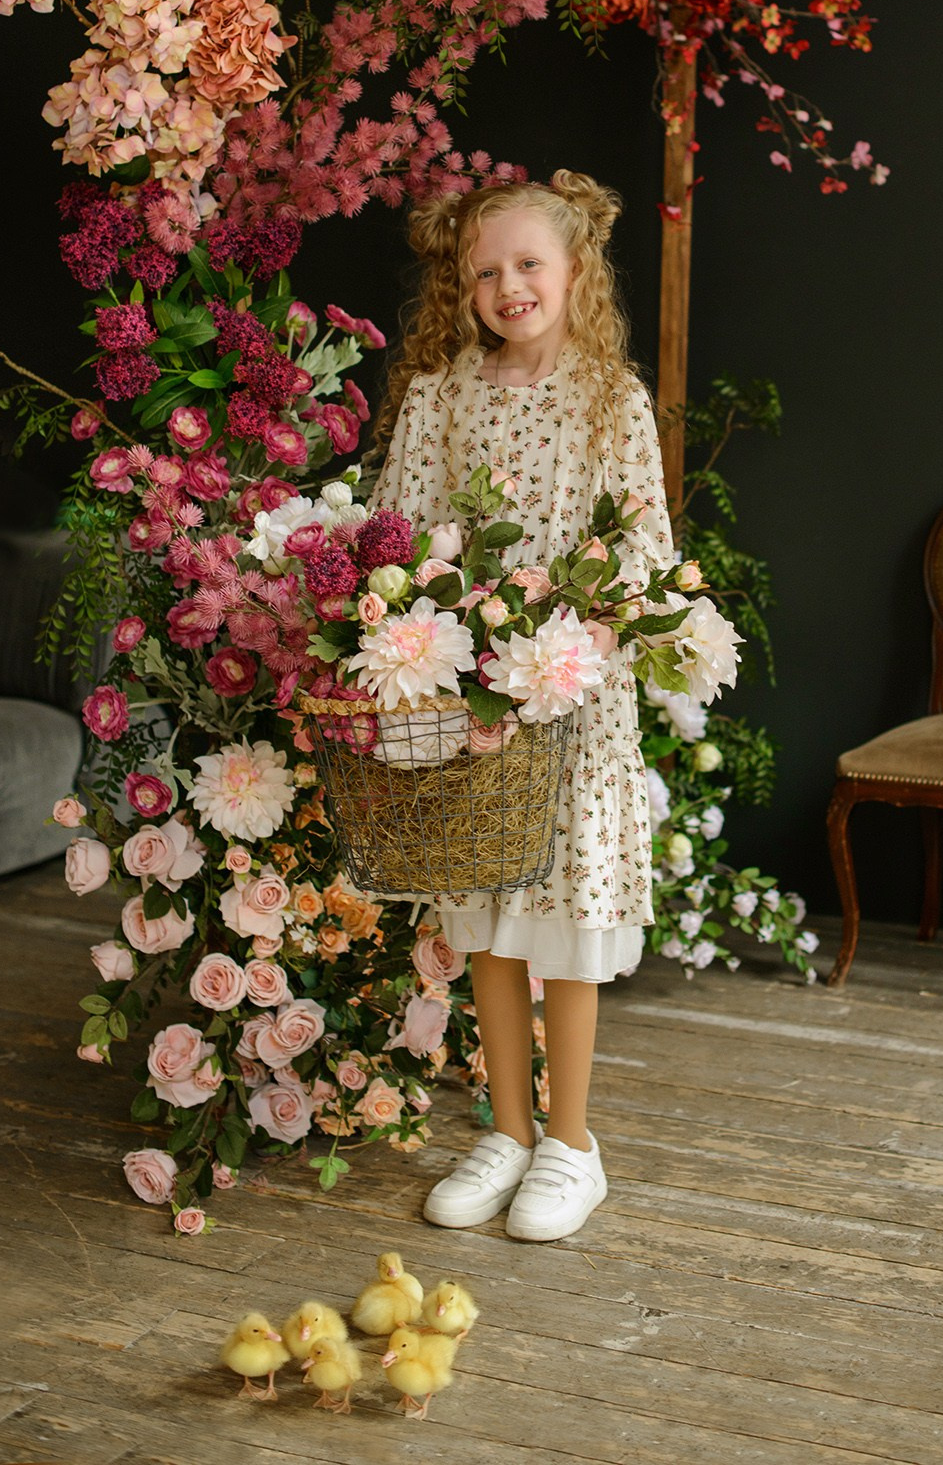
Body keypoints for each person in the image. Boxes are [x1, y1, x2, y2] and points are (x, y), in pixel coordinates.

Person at [365, 167, 675, 1243]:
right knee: (488, 919)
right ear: (463, 287)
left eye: (528, 264)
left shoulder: (609, 398)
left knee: (562, 926)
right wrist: (426, 627)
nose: (509, 285)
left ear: (574, 270)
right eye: (485, 271)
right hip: (474, 696)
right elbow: (398, 532)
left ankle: (570, 1144)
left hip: (570, 703)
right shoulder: (443, 396)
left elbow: (644, 547)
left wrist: (581, 633)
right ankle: (503, 1128)